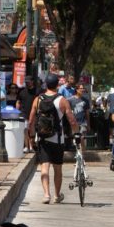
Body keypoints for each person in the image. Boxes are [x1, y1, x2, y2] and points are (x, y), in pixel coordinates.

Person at [29, 73, 78, 204]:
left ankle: (46, 195)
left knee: (44, 168)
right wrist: (77, 133)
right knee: (57, 168)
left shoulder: (37, 99)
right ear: (57, 85)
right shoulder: (62, 100)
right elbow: (72, 120)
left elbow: (31, 121)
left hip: (42, 138)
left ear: (46, 84)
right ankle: (56, 195)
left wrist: (32, 136)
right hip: (58, 139)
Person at [68, 83, 91, 152]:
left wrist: (88, 124)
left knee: (82, 138)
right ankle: (78, 156)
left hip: (83, 122)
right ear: (77, 90)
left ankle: (82, 157)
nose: (82, 90)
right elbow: (68, 112)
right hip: (74, 123)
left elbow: (87, 113)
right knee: (76, 139)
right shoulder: (70, 100)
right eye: (81, 88)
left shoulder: (85, 100)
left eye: (83, 88)